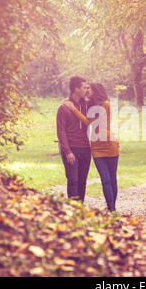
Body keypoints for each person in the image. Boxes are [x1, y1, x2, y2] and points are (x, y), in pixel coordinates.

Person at [64, 83, 119, 212]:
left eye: (89, 88)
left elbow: (88, 122)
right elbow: (80, 102)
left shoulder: (105, 104)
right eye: (86, 88)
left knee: (112, 178)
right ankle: (111, 207)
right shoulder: (91, 106)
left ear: (96, 90)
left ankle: (112, 208)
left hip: (109, 145)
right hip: (96, 147)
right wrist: (69, 101)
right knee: (105, 180)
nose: (87, 90)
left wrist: (73, 109)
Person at [56, 76, 91, 201]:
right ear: (76, 89)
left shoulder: (87, 106)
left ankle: (80, 209)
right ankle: (72, 211)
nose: (87, 90)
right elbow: (61, 131)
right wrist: (67, 151)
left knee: (82, 181)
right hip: (72, 149)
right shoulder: (63, 108)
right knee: (73, 180)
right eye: (84, 87)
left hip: (86, 149)